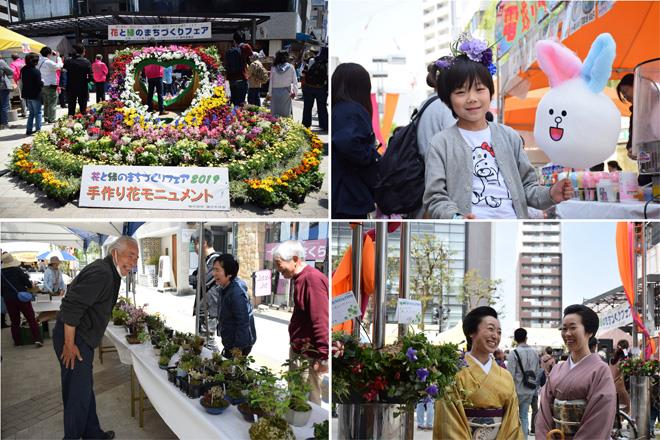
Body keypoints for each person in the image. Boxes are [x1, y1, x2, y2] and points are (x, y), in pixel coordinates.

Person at [423, 38, 573, 219]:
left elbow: (527, 187)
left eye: (479, 89)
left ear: (490, 92)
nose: (472, 98)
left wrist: (550, 194)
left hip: (513, 230)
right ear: (448, 99)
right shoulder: (440, 144)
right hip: (470, 233)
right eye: (461, 92)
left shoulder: (509, 136)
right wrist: (456, 218)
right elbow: (435, 197)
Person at [53, 236, 138, 440]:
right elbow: (71, 306)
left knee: (83, 390)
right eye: (130, 256)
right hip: (74, 339)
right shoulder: (103, 272)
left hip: (81, 338)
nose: (133, 263)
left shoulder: (110, 271)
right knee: (77, 396)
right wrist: (69, 344)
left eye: (136, 259)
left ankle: (92, 433)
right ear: (115, 253)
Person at [434, 306, 523, 439]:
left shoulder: (506, 376)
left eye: (499, 332)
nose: (495, 336)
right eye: (490, 329)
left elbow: (512, 421)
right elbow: (448, 420)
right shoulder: (454, 373)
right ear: (471, 332)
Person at [535, 304, 616, 439]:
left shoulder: (601, 370)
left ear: (589, 331)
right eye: (564, 328)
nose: (567, 333)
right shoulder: (557, 369)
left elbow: (600, 417)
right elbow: (544, 412)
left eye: (573, 328)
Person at [273, 240, 329, 405]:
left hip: (307, 355)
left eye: (279, 264)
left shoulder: (311, 279)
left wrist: (323, 355)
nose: (278, 270)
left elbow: (320, 319)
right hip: (301, 351)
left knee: (306, 402)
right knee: (297, 399)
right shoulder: (301, 278)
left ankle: (313, 431)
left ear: (295, 259)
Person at [331, 62, 381, 219]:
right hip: (349, 192)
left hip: (342, 191)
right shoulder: (353, 110)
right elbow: (346, 142)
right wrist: (370, 155)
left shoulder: (339, 108)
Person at [212, 254, 256, 358]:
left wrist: (237, 350)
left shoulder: (236, 293)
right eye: (214, 270)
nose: (214, 274)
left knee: (232, 372)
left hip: (239, 346)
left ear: (229, 273)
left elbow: (243, 323)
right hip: (231, 342)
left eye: (217, 270)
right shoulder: (225, 287)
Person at [1, 252, 42, 347]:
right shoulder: (17, 270)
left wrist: (7, 295)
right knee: (31, 318)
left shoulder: (1, 273)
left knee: (14, 321)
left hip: (9, 299)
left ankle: (18, 342)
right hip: (22, 298)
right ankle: (37, 339)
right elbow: (27, 283)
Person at [417, 61, 456, 158]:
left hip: (424, 165)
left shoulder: (426, 103)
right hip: (441, 167)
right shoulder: (446, 105)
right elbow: (454, 145)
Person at [506, 328, 539, 437]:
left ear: (515, 339)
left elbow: (510, 374)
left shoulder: (513, 353)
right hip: (530, 389)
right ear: (526, 338)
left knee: (513, 417)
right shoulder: (535, 353)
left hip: (516, 390)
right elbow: (537, 372)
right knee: (524, 416)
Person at [189, 228, 220, 336]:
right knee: (202, 342)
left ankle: (218, 354)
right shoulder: (205, 260)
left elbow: (202, 281)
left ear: (204, 243)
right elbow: (194, 278)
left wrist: (195, 278)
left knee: (207, 342)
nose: (194, 248)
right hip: (203, 308)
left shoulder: (216, 261)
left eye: (195, 244)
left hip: (209, 310)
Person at [301, 46, 328, 131]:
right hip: (321, 88)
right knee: (322, 107)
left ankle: (306, 124)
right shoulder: (327, 62)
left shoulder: (312, 60)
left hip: (309, 87)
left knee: (307, 107)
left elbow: (305, 72)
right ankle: (324, 125)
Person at [224, 31, 253, 106]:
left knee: (234, 101)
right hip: (241, 77)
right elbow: (252, 61)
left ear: (234, 40)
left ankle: (233, 116)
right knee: (241, 103)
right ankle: (239, 117)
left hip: (231, 79)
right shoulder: (245, 47)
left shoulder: (231, 51)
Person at [63, 44, 92, 116]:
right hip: (82, 86)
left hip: (70, 86)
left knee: (71, 107)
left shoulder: (68, 61)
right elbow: (91, 76)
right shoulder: (86, 62)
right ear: (82, 52)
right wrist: (86, 81)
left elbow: (63, 71)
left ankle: (70, 123)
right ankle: (83, 123)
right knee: (83, 107)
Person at [268, 50, 298, 118]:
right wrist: (295, 92)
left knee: (275, 113)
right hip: (286, 92)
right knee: (286, 113)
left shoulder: (274, 67)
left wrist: (269, 94)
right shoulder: (291, 67)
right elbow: (295, 81)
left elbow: (271, 81)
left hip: (275, 92)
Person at [38, 46, 63, 123]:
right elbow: (59, 66)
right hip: (50, 85)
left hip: (42, 84)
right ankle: (51, 119)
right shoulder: (48, 62)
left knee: (46, 103)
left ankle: (46, 117)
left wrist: (51, 53)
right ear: (49, 54)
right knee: (52, 102)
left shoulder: (38, 60)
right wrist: (58, 57)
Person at [20, 52, 43, 136]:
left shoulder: (23, 69)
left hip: (26, 93)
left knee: (31, 113)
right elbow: (39, 84)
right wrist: (42, 83)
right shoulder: (36, 71)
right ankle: (38, 130)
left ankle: (29, 129)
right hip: (35, 94)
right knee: (38, 113)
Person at [609, 347, 631, 414]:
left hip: (611, 385)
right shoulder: (621, 362)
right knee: (626, 405)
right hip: (619, 385)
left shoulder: (611, 361)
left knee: (615, 406)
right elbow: (628, 359)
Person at [10, 53, 26, 117]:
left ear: (12, 58)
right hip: (28, 79)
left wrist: (16, 80)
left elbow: (13, 73)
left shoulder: (13, 64)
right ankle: (31, 111)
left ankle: (24, 112)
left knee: (22, 96)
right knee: (29, 95)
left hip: (20, 80)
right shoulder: (24, 61)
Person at [0, 57, 14, 130]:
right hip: (2, 86)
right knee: (4, 105)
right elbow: (11, 71)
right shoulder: (1, 62)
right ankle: (4, 124)